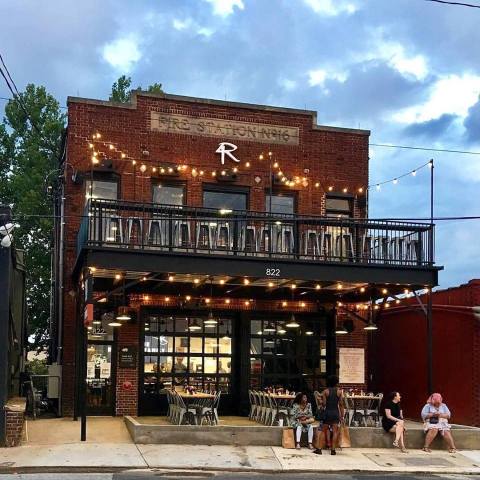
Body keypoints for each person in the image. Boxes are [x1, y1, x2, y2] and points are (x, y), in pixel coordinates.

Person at [317, 375, 345, 456]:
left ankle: (319, 449)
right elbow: (341, 405)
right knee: (335, 431)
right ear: (336, 382)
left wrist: (320, 400)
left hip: (327, 412)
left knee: (323, 431)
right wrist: (342, 416)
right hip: (335, 413)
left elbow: (324, 404)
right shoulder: (339, 392)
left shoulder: (325, 391)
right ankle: (333, 450)